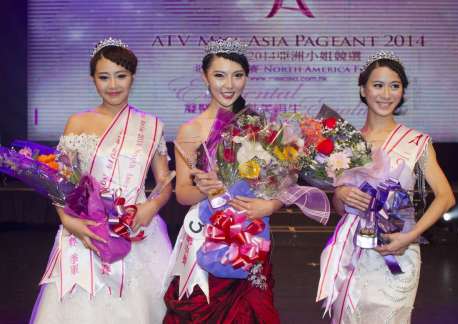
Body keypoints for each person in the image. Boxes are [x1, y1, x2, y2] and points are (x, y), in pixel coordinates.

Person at [30, 37, 173, 323]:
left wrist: (150, 208)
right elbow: (59, 180)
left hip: (137, 229)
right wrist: (68, 221)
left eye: (121, 76)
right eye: (104, 77)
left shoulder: (151, 125)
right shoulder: (78, 122)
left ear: (132, 76)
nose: (113, 85)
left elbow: (164, 182)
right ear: (92, 79)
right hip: (86, 229)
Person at [316, 50, 455, 323]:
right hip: (352, 250)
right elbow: (340, 208)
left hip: (397, 249)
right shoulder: (346, 143)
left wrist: (410, 235)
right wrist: (341, 194)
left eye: (395, 86)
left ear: (402, 92)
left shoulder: (417, 141)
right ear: (363, 89)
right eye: (378, 85)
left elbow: (445, 197)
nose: (386, 94)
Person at [163, 38, 282, 323]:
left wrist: (271, 207)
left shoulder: (260, 125)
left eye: (237, 75)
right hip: (207, 236)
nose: (229, 84)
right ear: (205, 76)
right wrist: (207, 190)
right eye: (219, 75)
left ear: (246, 78)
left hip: (251, 237)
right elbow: (182, 194)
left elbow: (281, 186)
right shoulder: (190, 131)